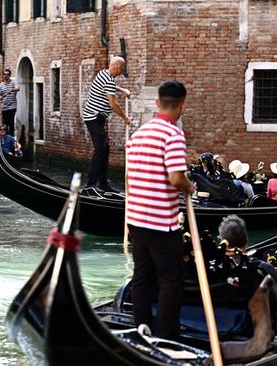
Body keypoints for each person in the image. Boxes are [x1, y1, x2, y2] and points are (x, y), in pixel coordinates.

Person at [126, 80, 195, 340]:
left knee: (142, 278)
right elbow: (176, 178)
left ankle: (141, 327)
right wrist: (190, 186)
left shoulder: (139, 134)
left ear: (157, 103)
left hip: (135, 218)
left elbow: (131, 179)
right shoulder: (173, 134)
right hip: (160, 222)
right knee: (171, 281)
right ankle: (166, 337)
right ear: (182, 104)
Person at [82, 56, 132, 193]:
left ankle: (103, 184)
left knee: (105, 149)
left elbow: (110, 86)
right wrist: (125, 118)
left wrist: (122, 90)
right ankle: (90, 185)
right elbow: (113, 104)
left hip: (94, 117)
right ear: (118, 67)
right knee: (100, 150)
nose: (121, 72)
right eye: (122, 70)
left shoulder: (103, 73)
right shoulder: (108, 79)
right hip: (94, 118)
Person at [0, 69, 20, 136]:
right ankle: (5, 137)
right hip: (4, 107)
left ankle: (11, 137)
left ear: (10, 75)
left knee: (11, 123)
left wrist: (13, 90)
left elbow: (18, 88)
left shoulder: (13, 82)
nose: (6, 76)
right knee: (5, 124)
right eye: (5, 74)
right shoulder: (1, 85)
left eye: (7, 74)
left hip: (12, 107)